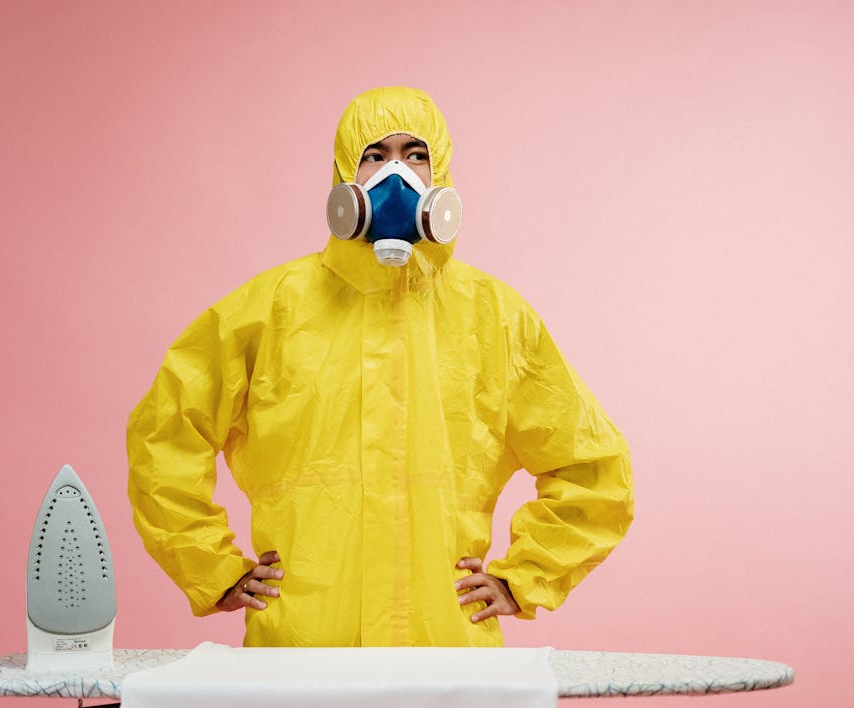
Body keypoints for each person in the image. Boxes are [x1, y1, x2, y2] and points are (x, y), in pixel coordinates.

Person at [126, 86, 633, 647]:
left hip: (445, 640)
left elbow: (592, 469)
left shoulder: (495, 316)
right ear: (345, 174)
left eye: (417, 155)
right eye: (376, 155)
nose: (397, 174)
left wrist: (525, 578)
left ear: (441, 177)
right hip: (302, 641)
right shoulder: (269, 310)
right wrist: (213, 569)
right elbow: (165, 434)